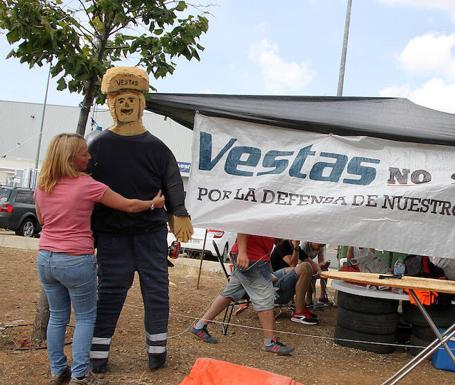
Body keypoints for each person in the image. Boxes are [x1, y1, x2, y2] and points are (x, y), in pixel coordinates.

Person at [35, 133, 165, 385]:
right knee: (84, 318)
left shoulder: (43, 184)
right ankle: (81, 374)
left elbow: (42, 220)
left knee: (58, 316)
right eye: (85, 153)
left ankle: (57, 370)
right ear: (72, 158)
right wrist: (154, 203)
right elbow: (127, 205)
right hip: (75, 259)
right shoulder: (87, 185)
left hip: (45, 258)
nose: (90, 156)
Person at [88, 67, 193, 372]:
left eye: (132, 97)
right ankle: (98, 354)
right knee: (109, 292)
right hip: (111, 235)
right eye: (119, 98)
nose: (125, 103)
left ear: (142, 102)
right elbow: (84, 187)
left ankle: (157, 353)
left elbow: (173, 181)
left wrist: (179, 213)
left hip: (150, 234)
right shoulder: (97, 145)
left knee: (156, 291)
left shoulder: (158, 148)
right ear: (110, 103)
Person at [191, 233, 295, 355]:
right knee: (265, 297)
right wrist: (243, 252)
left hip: (254, 256)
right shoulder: (258, 213)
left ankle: (199, 326)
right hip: (251, 256)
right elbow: (244, 224)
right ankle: (270, 342)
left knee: (230, 293)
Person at [270, 239, 318, 324]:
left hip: (283, 279)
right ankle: (298, 312)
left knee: (308, 267)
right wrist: (295, 247)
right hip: (277, 286)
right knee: (305, 267)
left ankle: (301, 308)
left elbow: (313, 264)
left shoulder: (298, 249)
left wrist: (321, 271)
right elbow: (293, 264)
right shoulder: (281, 246)